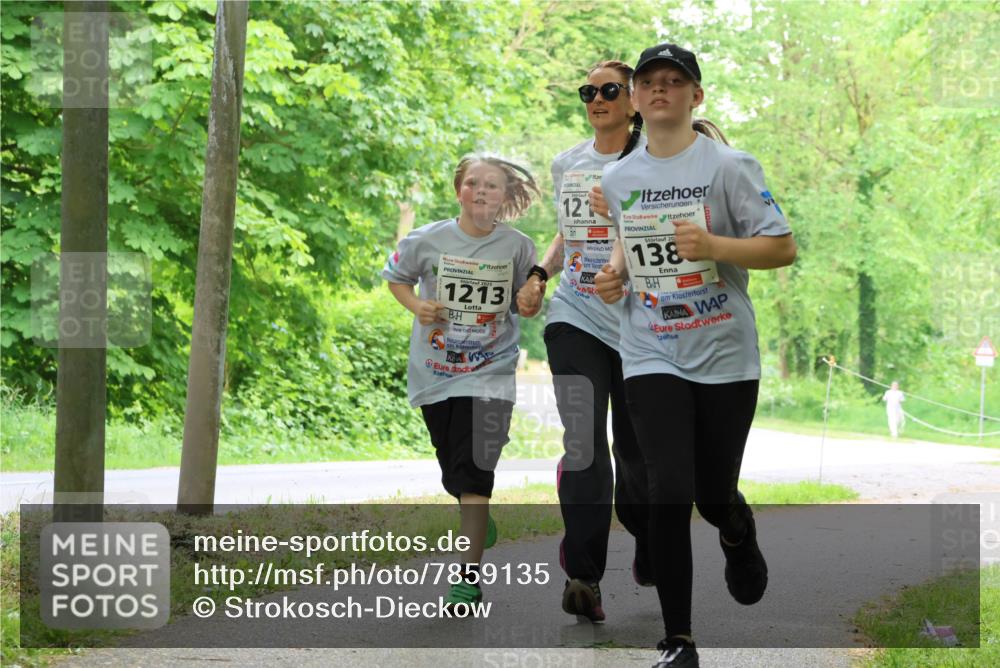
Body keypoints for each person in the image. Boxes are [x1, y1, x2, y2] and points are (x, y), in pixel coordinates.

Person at [594, 43, 796, 668]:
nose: (660, 90)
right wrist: (613, 274)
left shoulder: (730, 166)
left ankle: (736, 528)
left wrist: (713, 244)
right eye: (649, 82)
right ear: (634, 99)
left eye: (674, 81)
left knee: (711, 494)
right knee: (667, 489)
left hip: (724, 351)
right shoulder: (619, 177)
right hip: (651, 347)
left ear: (695, 95)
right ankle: (678, 640)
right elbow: (630, 246)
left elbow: (782, 248)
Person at [516, 60, 650, 624]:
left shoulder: (654, 161)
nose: (597, 98)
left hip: (645, 324)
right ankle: (584, 577)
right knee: (584, 441)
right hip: (576, 317)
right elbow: (567, 236)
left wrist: (623, 213)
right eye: (588, 91)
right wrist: (541, 276)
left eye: (610, 90)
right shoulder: (567, 162)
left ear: (634, 100)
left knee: (640, 456)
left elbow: (676, 232)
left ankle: (650, 537)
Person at [383, 154, 540, 610]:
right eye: (472, 183)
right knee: (455, 471)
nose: (481, 191)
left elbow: (522, 299)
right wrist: (418, 307)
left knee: (474, 469)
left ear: (506, 197)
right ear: (459, 191)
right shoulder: (427, 239)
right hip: (438, 372)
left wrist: (529, 299)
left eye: (492, 185)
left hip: (491, 371)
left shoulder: (518, 247)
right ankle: (474, 507)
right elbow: (396, 279)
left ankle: (466, 578)